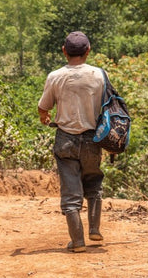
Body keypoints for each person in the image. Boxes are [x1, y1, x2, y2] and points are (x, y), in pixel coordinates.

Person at [38, 31, 104, 253]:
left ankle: (77, 242)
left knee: (70, 193)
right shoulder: (99, 75)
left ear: (64, 51)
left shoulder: (55, 76)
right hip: (92, 139)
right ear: (88, 51)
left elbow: (44, 106)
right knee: (93, 181)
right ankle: (94, 228)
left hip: (65, 139)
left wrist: (44, 117)